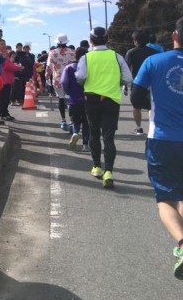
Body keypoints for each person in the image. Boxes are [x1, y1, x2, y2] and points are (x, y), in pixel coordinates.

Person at [130, 17, 183, 279]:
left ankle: (182, 245)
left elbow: (136, 96)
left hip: (162, 137)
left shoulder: (154, 62)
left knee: (166, 197)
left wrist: (155, 105)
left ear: (175, 35)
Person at [75, 27, 133, 188]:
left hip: (92, 99)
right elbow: (128, 77)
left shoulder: (86, 57)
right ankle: (109, 172)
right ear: (107, 39)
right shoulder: (116, 56)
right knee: (109, 137)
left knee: (94, 133)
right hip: (111, 100)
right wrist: (115, 83)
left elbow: (80, 77)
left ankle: (96, 166)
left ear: (91, 40)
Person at [124, 30, 158, 134]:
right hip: (152, 83)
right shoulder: (155, 52)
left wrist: (125, 86)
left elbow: (126, 69)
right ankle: (152, 127)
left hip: (137, 83)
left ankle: (139, 128)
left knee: (136, 107)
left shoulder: (131, 52)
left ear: (135, 41)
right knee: (151, 107)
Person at [61, 47, 90, 152]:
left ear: (75, 55)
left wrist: (68, 92)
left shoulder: (69, 68)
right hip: (88, 99)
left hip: (73, 99)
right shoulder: (89, 67)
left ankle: (75, 133)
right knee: (86, 123)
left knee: (75, 120)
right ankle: (85, 145)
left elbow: (64, 82)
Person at [46, 34, 76, 131]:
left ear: (57, 42)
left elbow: (49, 67)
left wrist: (47, 76)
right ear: (67, 42)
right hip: (70, 78)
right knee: (70, 100)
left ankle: (63, 121)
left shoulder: (52, 52)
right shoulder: (72, 52)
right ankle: (72, 122)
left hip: (58, 79)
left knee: (61, 99)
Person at [0, 51, 23, 121]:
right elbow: (8, 66)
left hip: (7, 81)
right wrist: (18, 67)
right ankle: (3, 114)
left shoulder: (6, 60)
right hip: (4, 81)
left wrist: (17, 67)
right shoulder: (3, 59)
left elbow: (11, 66)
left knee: (6, 99)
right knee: (4, 99)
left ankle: (5, 113)